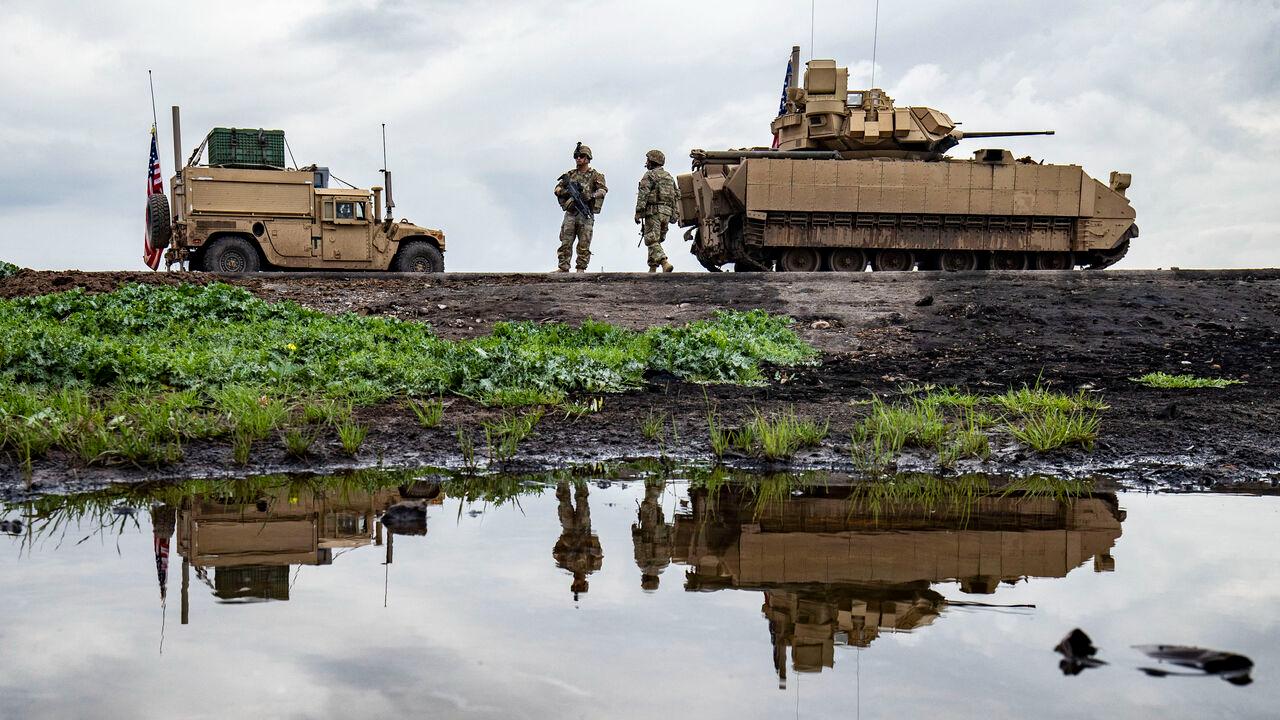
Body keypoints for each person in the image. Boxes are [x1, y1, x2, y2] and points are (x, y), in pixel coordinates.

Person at [553, 143, 607, 272]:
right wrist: (567, 192)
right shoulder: (570, 174)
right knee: (566, 242)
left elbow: (603, 190)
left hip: (585, 213)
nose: (578, 159)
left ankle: (581, 269)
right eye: (576, 156)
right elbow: (557, 189)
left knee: (584, 243)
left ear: (588, 159)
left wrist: (590, 196)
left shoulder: (595, 175)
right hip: (571, 213)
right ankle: (563, 267)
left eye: (582, 156)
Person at [552, 481, 603, 600]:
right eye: (578, 586)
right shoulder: (593, 566)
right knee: (582, 501)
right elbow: (598, 548)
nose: (576, 583)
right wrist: (587, 549)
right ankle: (580, 476)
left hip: (568, 530)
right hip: (584, 529)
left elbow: (556, 552)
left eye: (574, 586)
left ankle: (562, 477)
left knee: (564, 502)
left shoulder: (565, 566)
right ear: (585, 584)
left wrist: (566, 544)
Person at [634, 149, 678, 272]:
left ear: (653, 161)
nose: (646, 162)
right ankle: (652, 267)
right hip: (667, 213)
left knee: (651, 239)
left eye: (648, 159)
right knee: (656, 239)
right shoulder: (669, 177)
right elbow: (677, 195)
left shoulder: (650, 175)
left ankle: (664, 262)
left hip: (654, 212)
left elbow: (643, 194)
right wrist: (675, 213)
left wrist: (638, 212)